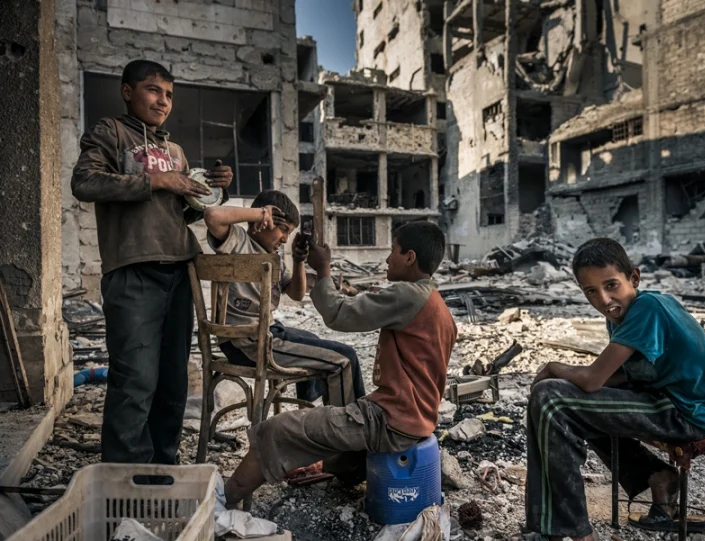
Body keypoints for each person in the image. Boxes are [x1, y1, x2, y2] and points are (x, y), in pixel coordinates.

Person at [223, 221, 457, 504]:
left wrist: (324, 270)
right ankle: (346, 467)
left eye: (393, 251)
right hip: (411, 419)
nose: (387, 258)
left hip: (390, 422)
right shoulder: (437, 305)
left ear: (410, 257)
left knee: (277, 430)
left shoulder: (409, 295)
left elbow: (338, 314)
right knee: (340, 388)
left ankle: (224, 500)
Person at [71, 60, 233, 464]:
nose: (163, 101)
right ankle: (124, 477)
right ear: (128, 91)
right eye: (153, 90)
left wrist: (213, 192)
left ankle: (164, 469)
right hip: (133, 271)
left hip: (180, 270)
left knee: (173, 381)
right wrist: (158, 180)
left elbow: (188, 213)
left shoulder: (174, 151)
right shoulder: (111, 132)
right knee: (135, 379)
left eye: (169, 95)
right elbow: (84, 183)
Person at [523, 238, 705, 541]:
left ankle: (573, 530)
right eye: (591, 291)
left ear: (634, 277)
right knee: (563, 398)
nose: (603, 299)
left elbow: (594, 379)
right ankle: (656, 476)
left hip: (686, 412)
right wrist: (568, 382)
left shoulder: (647, 308)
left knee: (551, 398)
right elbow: (618, 376)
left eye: (611, 285)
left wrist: (554, 368)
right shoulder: (622, 314)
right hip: (662, 400)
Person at [202, 190, 365, 407]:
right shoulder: (238, 240)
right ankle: (348, 427)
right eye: (283, 230)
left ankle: (308, 413)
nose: (285, 239)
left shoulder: (274, 257)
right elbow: (212, 215)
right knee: (345, 357)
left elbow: (296, 293)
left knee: (313, 339)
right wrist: (259, 214)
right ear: (266, 220)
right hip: (248, 342)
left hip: (263, 335)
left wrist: (299, 261)